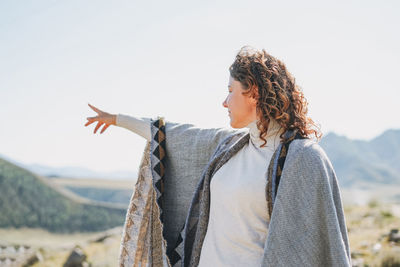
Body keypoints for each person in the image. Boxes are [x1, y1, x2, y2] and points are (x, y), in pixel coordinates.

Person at [85, 46, 352, 267]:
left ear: (254, 92)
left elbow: (316, 247)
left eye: (230, 90)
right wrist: (119, 120)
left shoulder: (303, 158)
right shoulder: (229, 147)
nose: (224, 102)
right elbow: (175, 135)